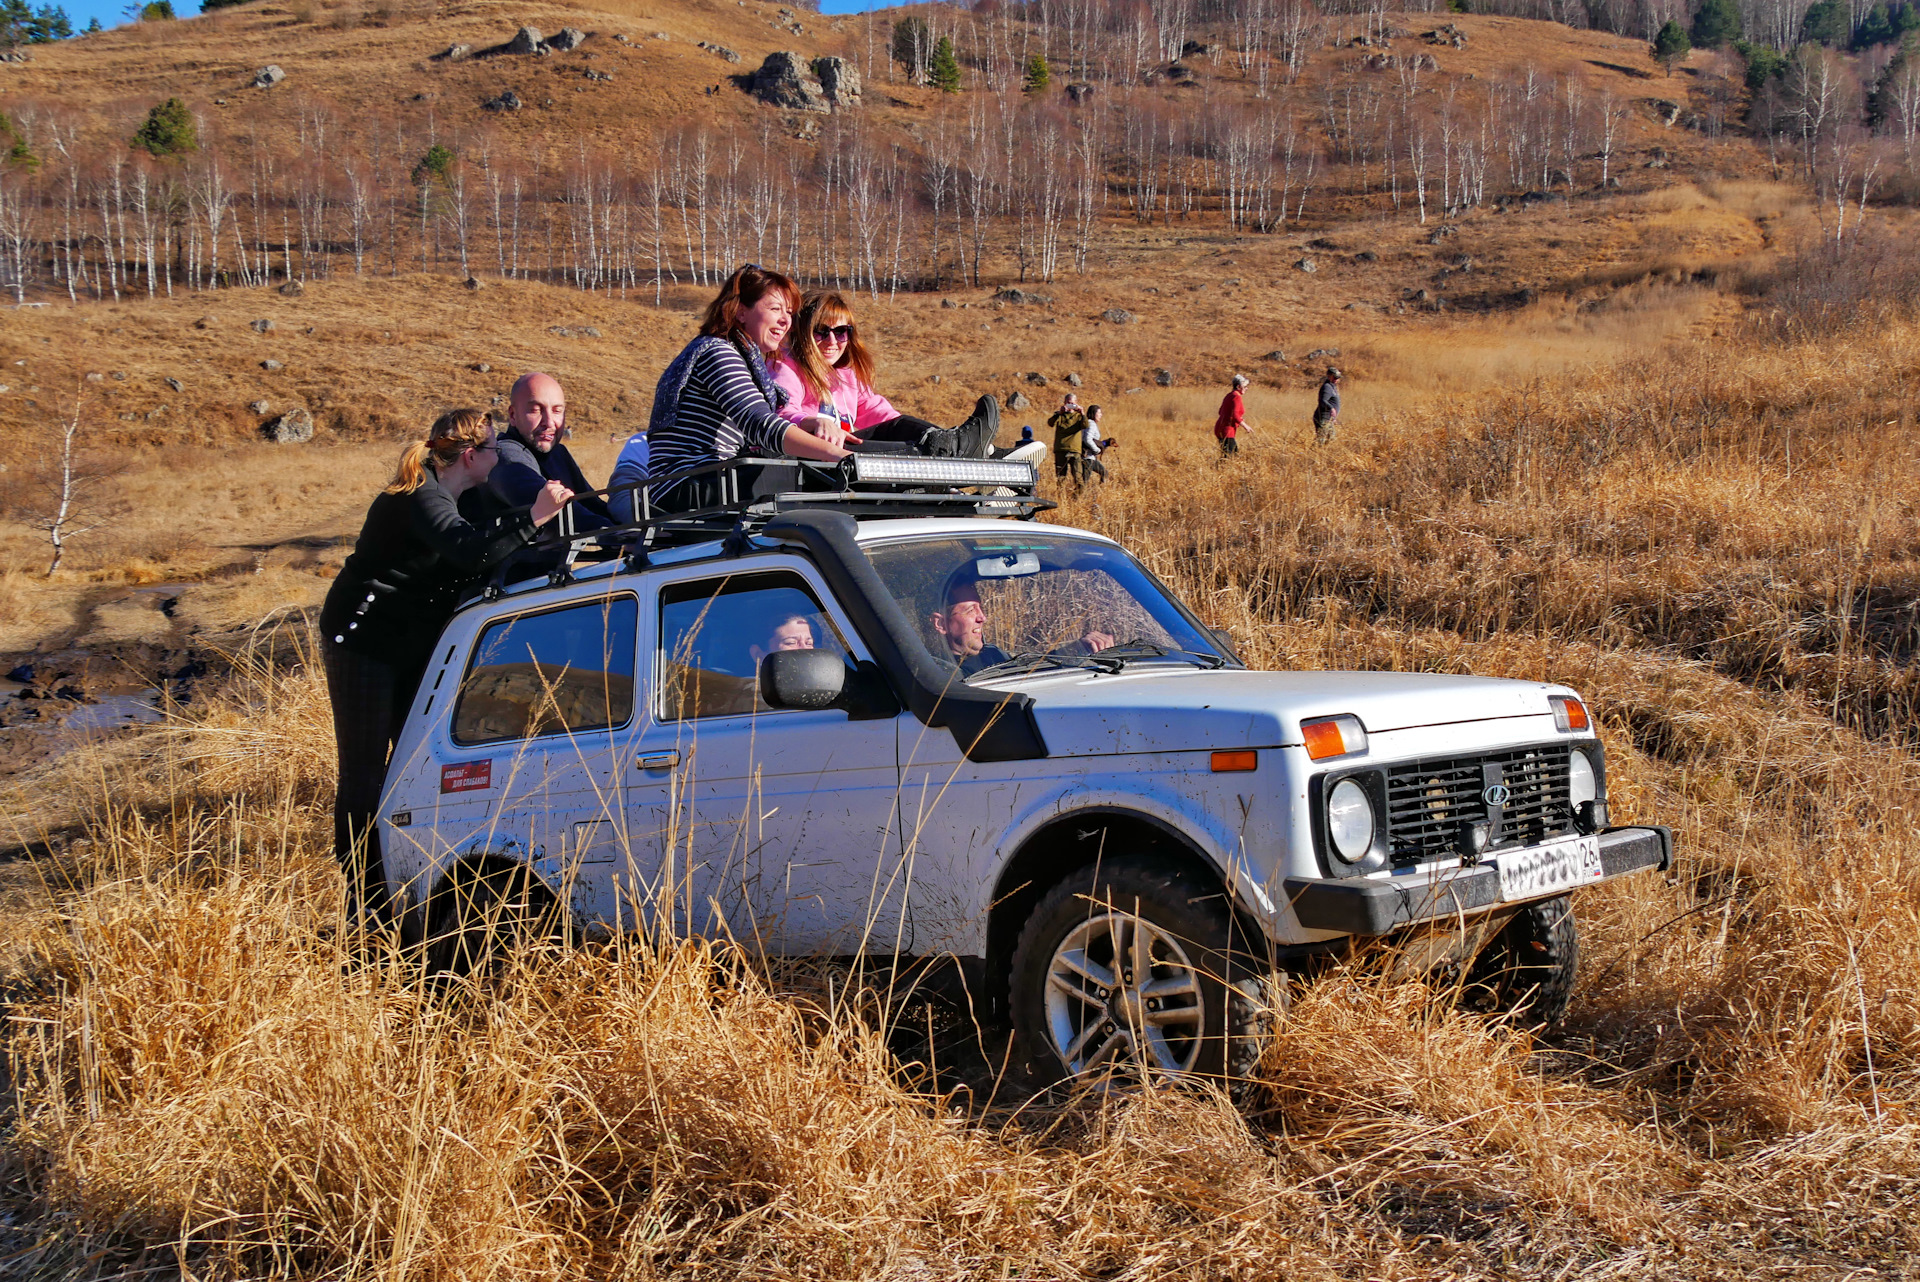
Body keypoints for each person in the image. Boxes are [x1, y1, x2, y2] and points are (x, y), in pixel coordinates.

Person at [320, 409, 573, 926]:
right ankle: (364, 902)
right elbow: (467, 550)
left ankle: (409, 879)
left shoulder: (463, 493)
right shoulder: (418, 496)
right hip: (364, 643)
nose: (501, 454)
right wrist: (537, 516)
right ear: (473, 456)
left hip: (409, 643)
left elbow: (489, 536)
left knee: (414, 762)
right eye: (493, 448)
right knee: (367, 771)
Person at [645, 265, 854, 511]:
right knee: (812, 474)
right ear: (741, 312)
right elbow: (758, 423)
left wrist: (808, 425)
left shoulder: (739, 356)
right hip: (684, 484)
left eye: (789, 312)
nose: (786, 320)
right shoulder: (718, 352)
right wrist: (841, 458)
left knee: (806, 470)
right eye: (775, 309)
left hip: (711, 477)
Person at [773, 291, 998, 458]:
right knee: (908, 444)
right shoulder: (786, 367)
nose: (832, 341)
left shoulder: (846, 376)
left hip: (845, 455)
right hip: (816, 458)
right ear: (802, 333)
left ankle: (969, 450)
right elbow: (778, 414)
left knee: (901, 429)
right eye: (821, 331)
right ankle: (957, 449)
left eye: (841, 332)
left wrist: (914, 430)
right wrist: (811, 421)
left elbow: (880, 414)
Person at [481, 372, 617, 530]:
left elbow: (590, 504)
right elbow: (551, 505)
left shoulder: (559, 453)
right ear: (513, 415)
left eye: (557, 411)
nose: (549, 422)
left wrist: (629, 527)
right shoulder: (505, 456)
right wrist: (614, 534)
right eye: (536, 410)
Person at [929, 571, 1114, 678]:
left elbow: (1033, 671)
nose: (982, 617)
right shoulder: (934, 673)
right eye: (970, 610)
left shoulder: (993, 655)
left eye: (980, 608)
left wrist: (1078, 649)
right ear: (940, 624)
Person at [1048, 394, 1087, 486]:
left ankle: (1076, 498)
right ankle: (1061, 498)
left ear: (1076, 403)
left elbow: (1085, 426)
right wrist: (1059, 413)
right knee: (1060, 478)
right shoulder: (1059, 415)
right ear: (1064, 403)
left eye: (1072, 403)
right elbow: (1050, 423)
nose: (1070, 405)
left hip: (1074, 450)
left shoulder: (1079, 416)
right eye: (1068, 403)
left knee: (1078, 478)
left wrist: (1083, 414)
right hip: (1061, 450)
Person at [749, 612, 815, 666]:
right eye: (791, 642)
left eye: (809, 643)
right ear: (759, 655)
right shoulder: (753, 682)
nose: (805, 649)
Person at [1215, 374, 1248, 458]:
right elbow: (1235, 414)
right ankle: (1218, 469)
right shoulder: (1237, 397)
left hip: (1220, 428)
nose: (1247, 388)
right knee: (1232, 455)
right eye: (1245, 386)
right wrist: (1245, 426)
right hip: (1227, 430)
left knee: (1229, 454)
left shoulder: (1229, 395)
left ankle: (1218, 469)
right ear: (1239, 386)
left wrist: (1237, 420)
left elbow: (1220, 411)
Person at [1080, 404, 1110, 485]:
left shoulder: (1088, 423)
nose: (1101, 415)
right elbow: (1087, 439)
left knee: (1104, 473)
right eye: (1099, 412)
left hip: (1090, 457)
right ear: (1094, 413)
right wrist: (1097, 450)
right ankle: (1076, 497)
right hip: (1087, 458)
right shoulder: (1091, 424)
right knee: (1083, 483)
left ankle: (1097, 492)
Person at [1314, 367, 1342, 446]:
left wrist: (1334, 418)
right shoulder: (1327, 387)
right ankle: (1312, 454)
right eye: (1335, 377)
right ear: (1329, 376)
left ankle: (1321, 454)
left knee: (1331, 438)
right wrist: (1331, 408)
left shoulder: (1332, 386)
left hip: (1328, 419)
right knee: (1321, 440)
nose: (1337, 379)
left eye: (1338, 378)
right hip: (1323, 418)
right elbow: (1322, 401)